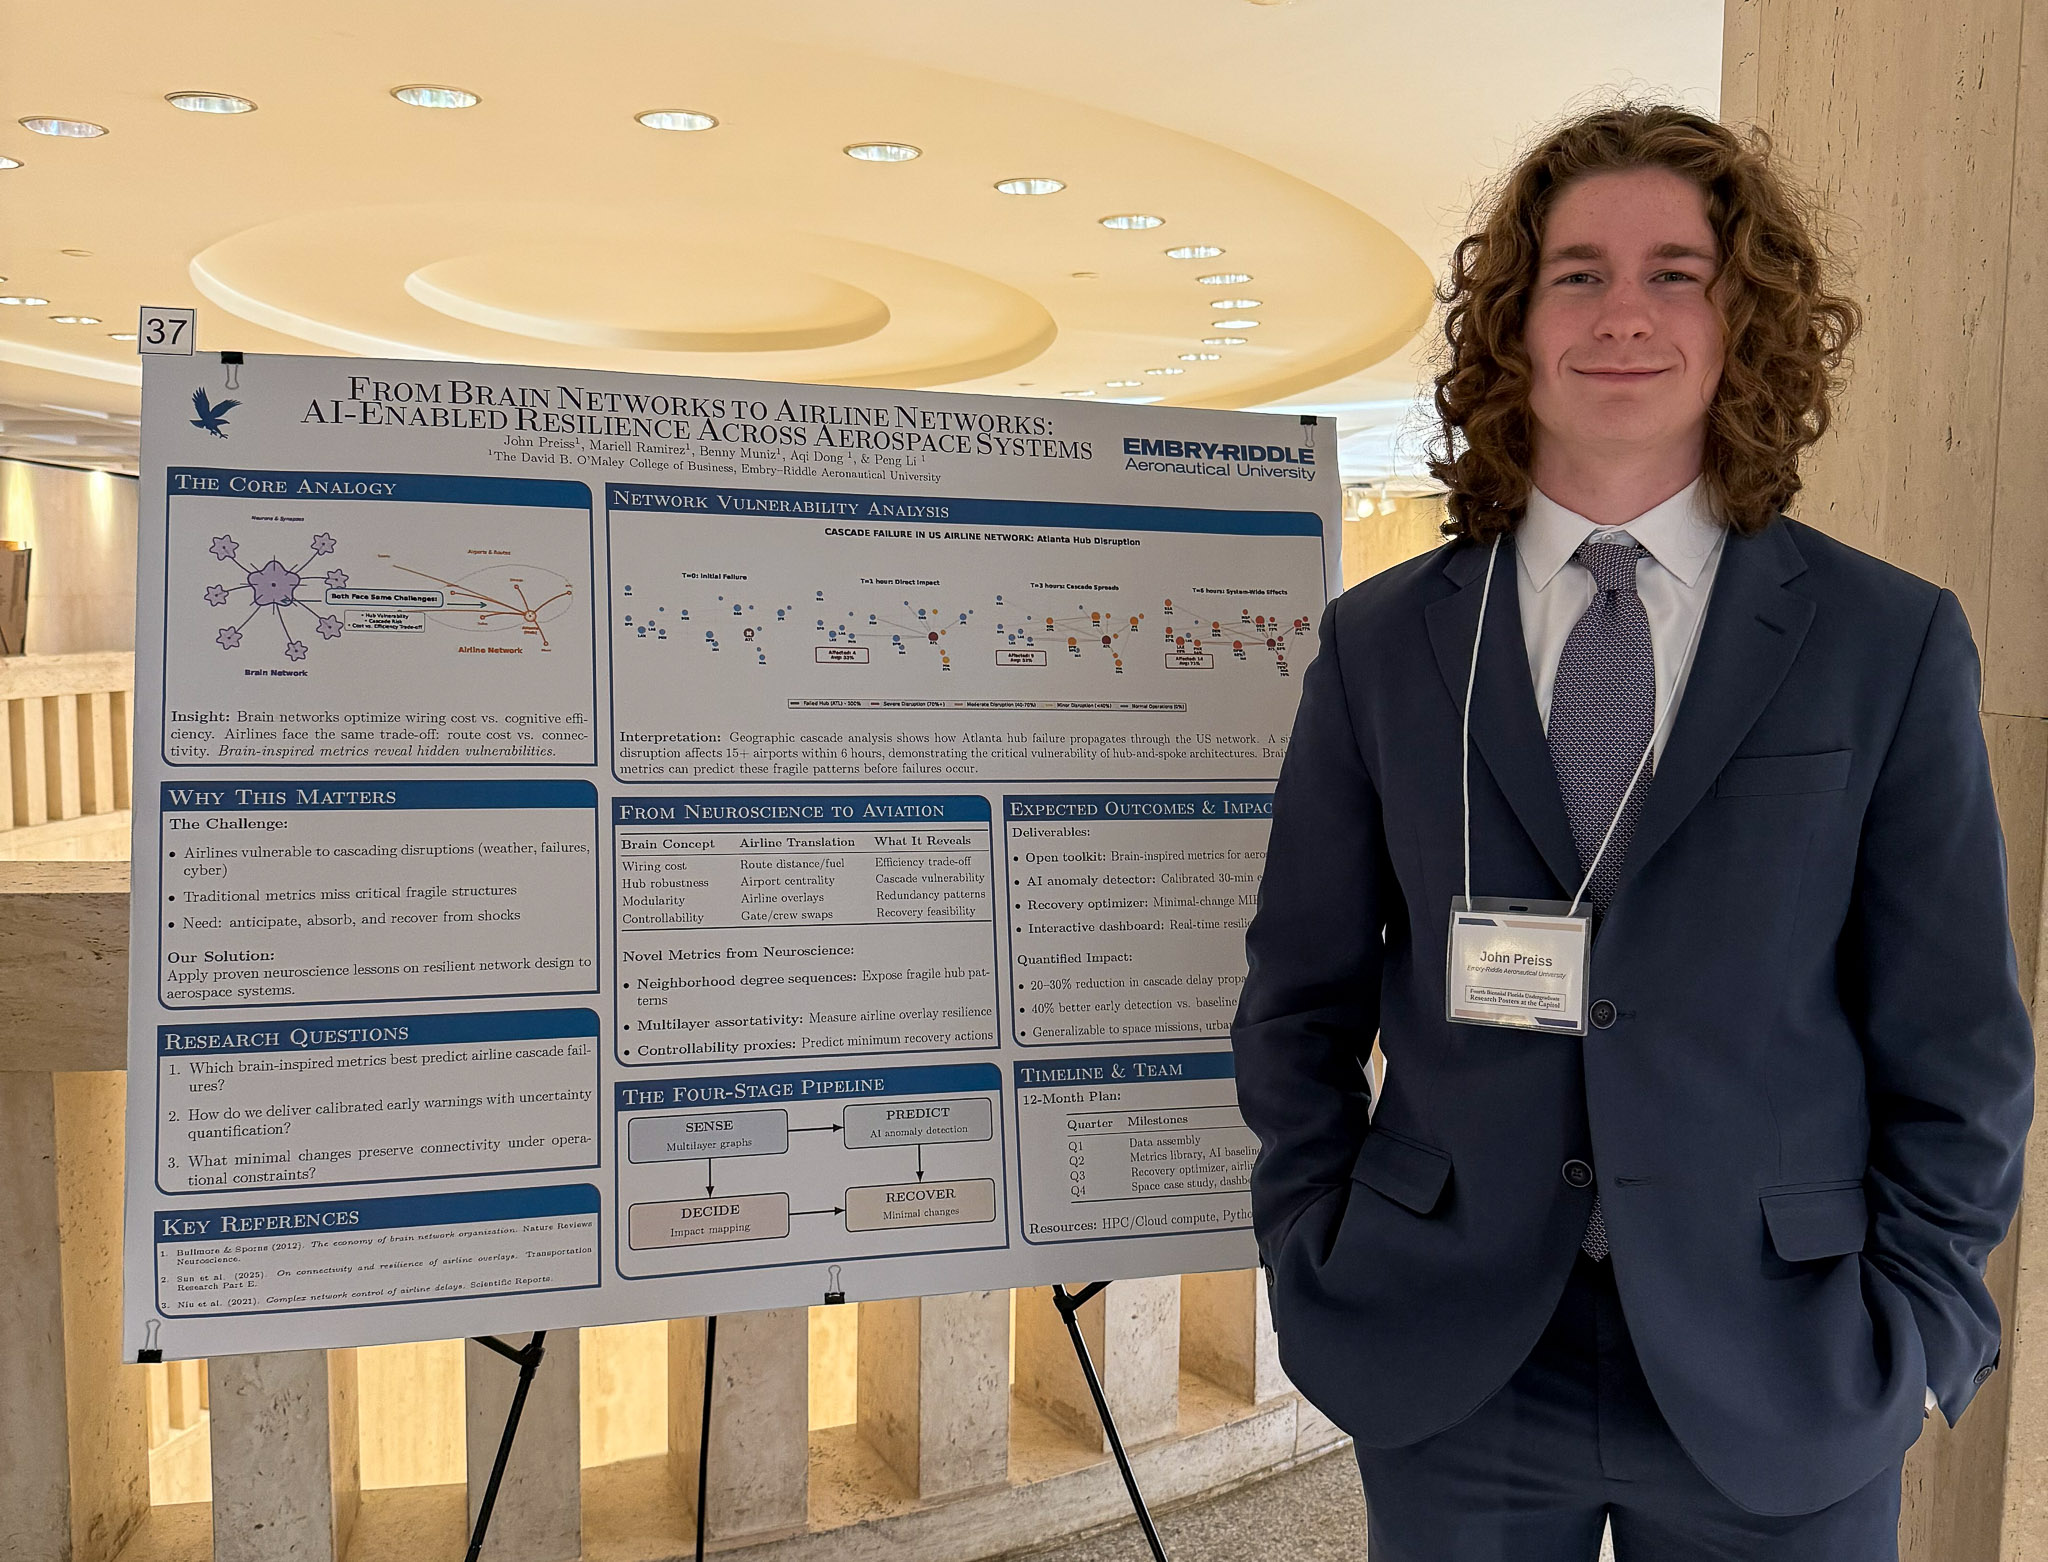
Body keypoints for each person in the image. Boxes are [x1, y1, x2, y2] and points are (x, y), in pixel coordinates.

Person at [1231, 103, 2034, 1561]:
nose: (1624, 313)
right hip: (1455, 1354)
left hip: (1784, 1356)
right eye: (1578, 272)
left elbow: (1958, 1034)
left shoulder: (1884, 640)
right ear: (1515, 323)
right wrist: (1316, 1262)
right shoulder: (1385, 645)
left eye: (1677, 270)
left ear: (1746, 319)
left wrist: (1918, 1331)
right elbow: (1298, 997)